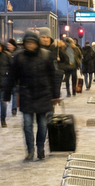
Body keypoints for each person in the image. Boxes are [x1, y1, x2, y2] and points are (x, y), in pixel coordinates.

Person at [5, 29, 60, 160]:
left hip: (43, 94)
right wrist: (7, 94)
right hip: (27, 94)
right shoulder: (20, 57)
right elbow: (12, 77)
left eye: (32, 43)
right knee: (28, 125)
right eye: (28, 43)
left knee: (42, 125)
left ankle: (40, 148)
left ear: (36, 43)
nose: (30, 45)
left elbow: (53, 76)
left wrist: (55, 95)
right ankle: (30, 150)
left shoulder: (46, 55)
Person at [5, 39, 20, 116]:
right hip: (7, 75)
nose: (9, 46)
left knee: (15, 92)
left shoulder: (17, 53)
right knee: (13, 92)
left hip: (15, 76)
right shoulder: (5, 53)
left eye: (10, 45)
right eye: (8, 45)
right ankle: (14, 108)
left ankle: (14, 109)